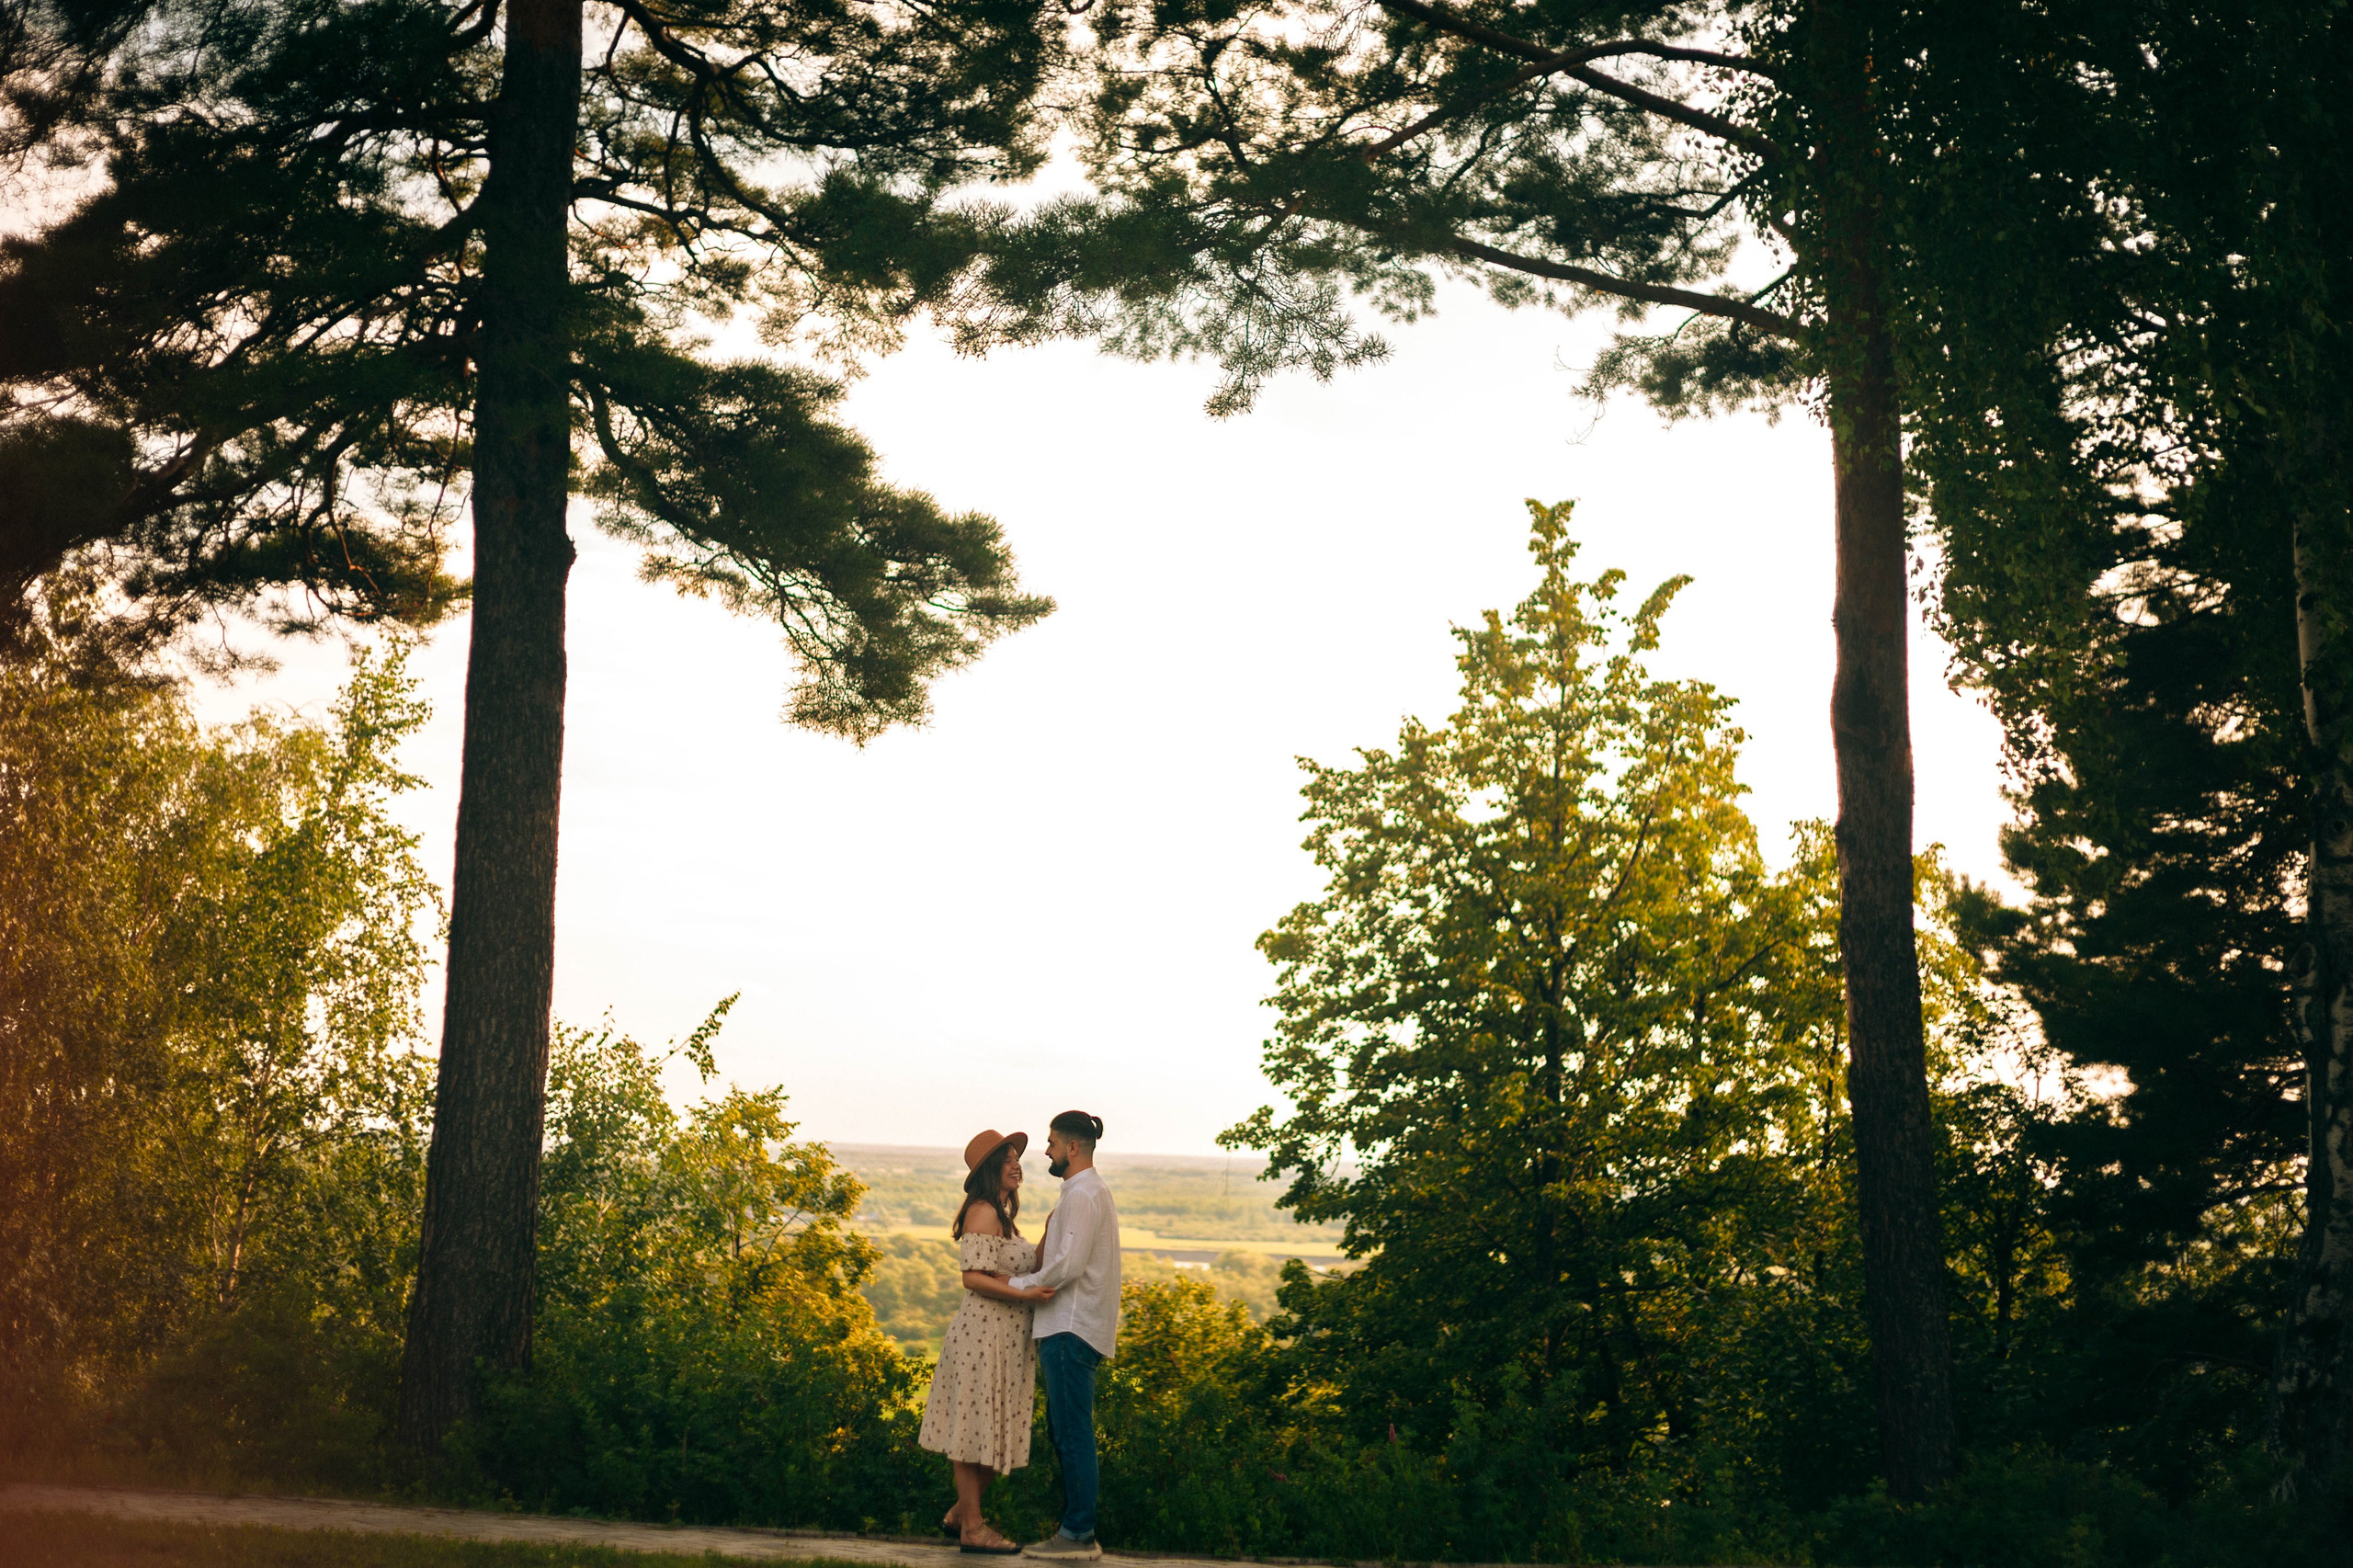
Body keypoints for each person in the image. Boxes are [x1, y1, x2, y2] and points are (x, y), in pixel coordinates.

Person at [918, 1128, 1057, 1555]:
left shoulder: (1003, 1216)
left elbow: (1025, 1264)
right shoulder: (983, 1211)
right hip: (982, 1335)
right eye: (1009, 1158)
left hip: (1004, 1338)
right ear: (990, 1170)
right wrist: (1025, 1295)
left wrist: (1055, 1225)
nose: (1018, 1165)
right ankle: (973, 1529)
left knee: (998, 1430)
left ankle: (962, 1514)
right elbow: (973, 1278)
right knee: (973, 1430)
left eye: (1018, 1157)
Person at [1009, 1110, 1120, 1562]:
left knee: (1073, 1433)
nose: (1047, 1149)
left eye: (1052, 1141)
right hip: (1072, 1327)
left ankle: (1077, 1535)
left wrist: (1014, 1287)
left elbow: (1067, 1267)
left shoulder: (1082, 1194)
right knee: (1067, 1430)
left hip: (1070, 1327)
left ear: (1073, 1148)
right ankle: (1075, 1532)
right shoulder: (1086, 1192)